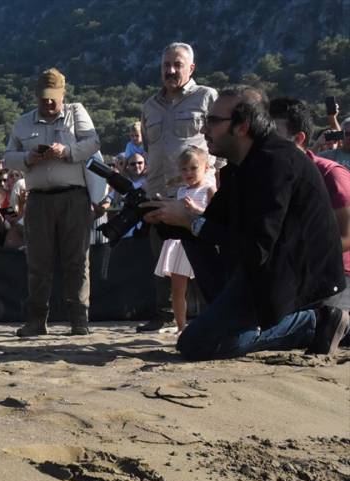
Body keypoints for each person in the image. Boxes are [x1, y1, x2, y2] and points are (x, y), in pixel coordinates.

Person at [142, 87, 348, 360]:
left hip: (296, 279)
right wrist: (161, 216)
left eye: (213, 121)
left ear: (242, 127)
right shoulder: (240, 166)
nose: (204, 130)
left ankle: (315, 323)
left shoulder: (276, 163)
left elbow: (257, 246)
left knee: (197, 343)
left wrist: (191, 222)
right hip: (261, 271)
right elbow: (210, 224)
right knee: (194, 240)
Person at [3, 67, 100, 336]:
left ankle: (79, 319)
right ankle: (36, 320)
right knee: (38, 261)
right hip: (38, 200)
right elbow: (7, 156)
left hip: (74, 197)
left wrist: (68, 151)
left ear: (63, 94)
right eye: (43, 98)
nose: (48, 103)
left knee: (77, 260)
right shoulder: (23, 123)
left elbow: (93, 142)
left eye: (53, 99)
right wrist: (27, 158)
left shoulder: (76, 113)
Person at [138, 42, 219, 333]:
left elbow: (219, 148)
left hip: (197, 198)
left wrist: (219, 193)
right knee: (164, 259)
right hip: (159, 194)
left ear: (191, 68)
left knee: (203, 259)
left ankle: (211, 315)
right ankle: (164, 316)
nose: (171, 71)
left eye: (177, 65)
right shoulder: (149, 105)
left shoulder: (207, 97)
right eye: (166, 65)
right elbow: (149, 148)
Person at [268, 97, 350, 308]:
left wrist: (297, 255)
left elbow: (347, 236)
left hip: (336, 275)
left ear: (298, 138)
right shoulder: (269, 177)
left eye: (274, 135)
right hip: (289, 274)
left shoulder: (331, 175)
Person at [155, 147, 215, 333]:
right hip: (180, 243)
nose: (188, 172)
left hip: (201, 242)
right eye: (184, 169)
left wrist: (197, 210)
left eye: (193, 168)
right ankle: (181, 327)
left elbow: (216, 218)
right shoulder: (180, 191)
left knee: (206, 288)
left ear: (205, 168)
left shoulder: (209, 189)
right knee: (178, 289)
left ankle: (210, 325)